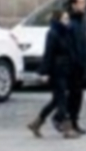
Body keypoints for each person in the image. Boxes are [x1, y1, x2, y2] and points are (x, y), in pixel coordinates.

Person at [27, 9, 80, 139]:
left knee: (56, 100)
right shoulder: (53, 33)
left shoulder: (67, 32)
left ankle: (36, 123)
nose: (67, 21)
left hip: (66, 70)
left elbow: (72, 51)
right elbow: (48, 54)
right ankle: (67, 128)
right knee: (62, 100)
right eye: (64, 19)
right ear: (58, 20)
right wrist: (44, 72)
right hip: (57, 71)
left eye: (68, 18)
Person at [64, 0, 86, 135]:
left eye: (84, 2)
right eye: (81, 2)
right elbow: (68, 45)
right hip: (72, 65)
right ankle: (66, 121)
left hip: (81, 64)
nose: (84, 5)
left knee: (78, 95)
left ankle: (75, 121)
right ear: (73, 5)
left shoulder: (83, 21)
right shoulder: (70, 22)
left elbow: (85, 43)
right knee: (70, 96)